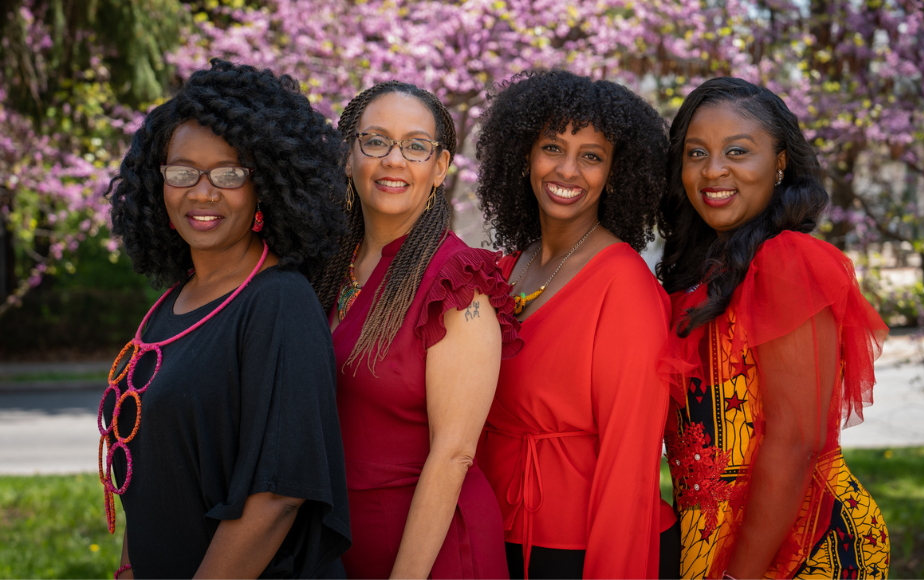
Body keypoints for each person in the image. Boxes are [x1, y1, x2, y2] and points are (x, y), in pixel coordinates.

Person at [100, 59, 350, 579]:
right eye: (183, 171)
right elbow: (153, 468)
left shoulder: (280, 303)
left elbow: (279, 494)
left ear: (268, 185)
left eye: (229, 174)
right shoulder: (170, 305)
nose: (202, 192)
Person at [656, 77, 890, 579]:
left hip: (798, 541)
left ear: (780, 161)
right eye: (696, 153)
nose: (713, 170)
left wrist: (739, 575)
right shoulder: (696, 277)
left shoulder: (787, 262)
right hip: (704, 534)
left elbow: (796, 442)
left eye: (737, 151)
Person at [309, 80, 522, 579]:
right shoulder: (326, 267)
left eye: (416, 146)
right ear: (348, 154)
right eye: (376, 141)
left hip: (432, 553)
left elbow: (453, 455)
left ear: (440, 167)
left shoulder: (456, 284)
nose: (394, 159)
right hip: (337, 546)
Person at [474, 69, 678, 579]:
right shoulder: (503, 270)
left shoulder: (624, 286)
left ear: (614, 173)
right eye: (552, 148)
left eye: (591, 156)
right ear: (524, 155)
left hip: (580, 550)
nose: (567, 170)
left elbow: (630, 464)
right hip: (491, 532)